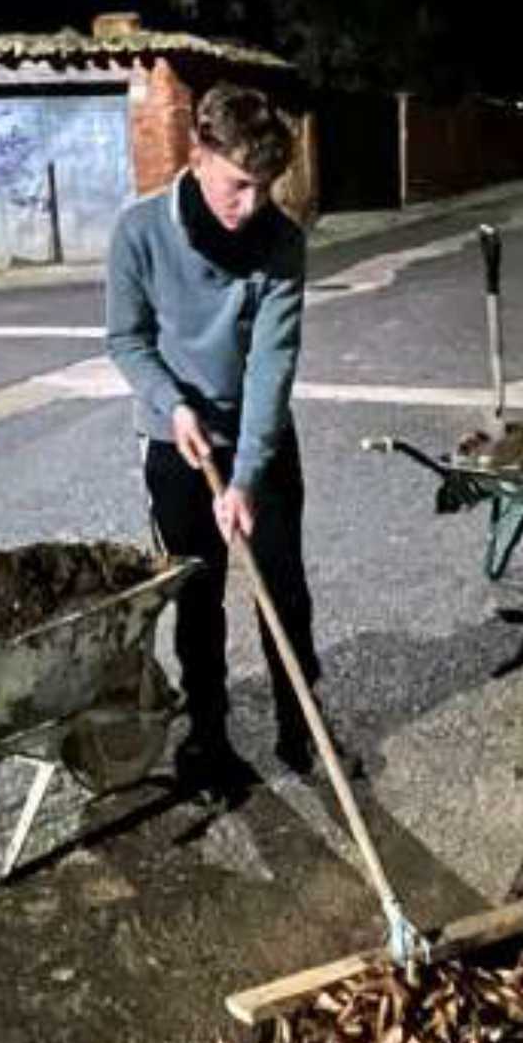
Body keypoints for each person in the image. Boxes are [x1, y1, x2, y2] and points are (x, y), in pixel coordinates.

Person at [106, 82, 335, 795]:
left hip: (258, 439)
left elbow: (272, 365)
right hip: (176, 444)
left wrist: (247, 476)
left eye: (265, 187)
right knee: (197, 597)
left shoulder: (280, 243)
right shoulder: (139, 232)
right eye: (239, 185)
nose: (252, 204)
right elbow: (127, 339)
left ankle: (303, 729)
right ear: (197, 152)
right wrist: (172, 405)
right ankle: (209, 738)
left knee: (283, 590)